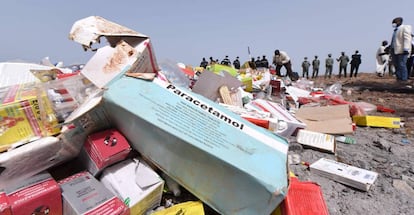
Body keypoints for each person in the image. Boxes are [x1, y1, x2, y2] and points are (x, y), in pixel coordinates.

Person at [390, 17, 412, 82]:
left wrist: (406, 48)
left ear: (398, 22)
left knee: (402, 64)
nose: (393, 24)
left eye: (394, 22)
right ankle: (399, 79)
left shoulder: (405, 28)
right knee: (396, 65)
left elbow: (407, 38)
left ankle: (404, 79)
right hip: (394, 50)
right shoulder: (396, 30)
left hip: (402, 50)